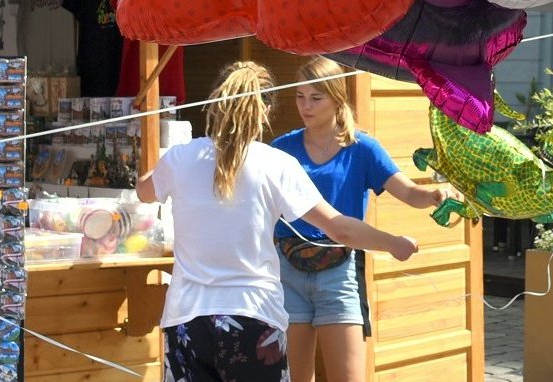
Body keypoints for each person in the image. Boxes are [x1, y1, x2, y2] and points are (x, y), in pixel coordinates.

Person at [136, 62, 417, 382]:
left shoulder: (180, 158)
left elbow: (144, 192)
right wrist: (393, 243)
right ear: (265, 110)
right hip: (252, 318)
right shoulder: (276, 164)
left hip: (186, 321)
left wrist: (164, 165)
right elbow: (338, 227)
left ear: (216, 103)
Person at [272, 58, 455, 382]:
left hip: (339, 272)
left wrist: (434, 195)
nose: (305, 106)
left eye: (316, 97)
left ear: (336, 96)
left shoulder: (363, 148)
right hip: (286, 271)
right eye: (300, 96)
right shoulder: (282, 149)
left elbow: (410, 192)